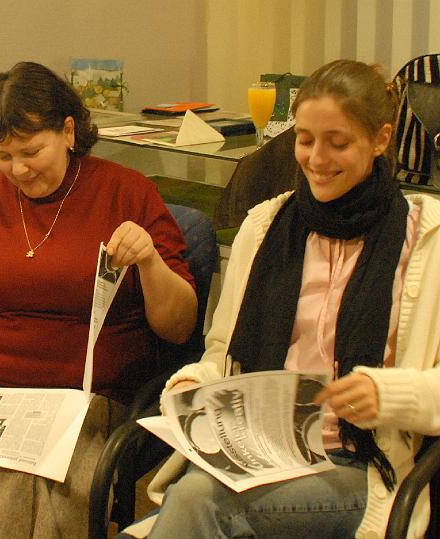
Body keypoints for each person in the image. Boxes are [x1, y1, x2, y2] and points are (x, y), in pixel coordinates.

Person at [0, 61, 197, 537]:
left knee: (24, 476)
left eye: (31, 151)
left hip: (86, 394)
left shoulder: (126, 193)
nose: (19, 169)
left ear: (69, 132)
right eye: (2, 155)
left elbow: (179, 327)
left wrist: (151, 262)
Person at [133, 59, 440, 539]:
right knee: (200, 499)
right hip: (254, 451)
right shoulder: (266, 227)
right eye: (305, 139)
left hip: (356, 464)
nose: (317, 158)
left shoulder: (427, 240)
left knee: (199, 502)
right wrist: (191, 385)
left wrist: (388, 393)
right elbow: (222, 356)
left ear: (381, 140)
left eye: (338, 143)